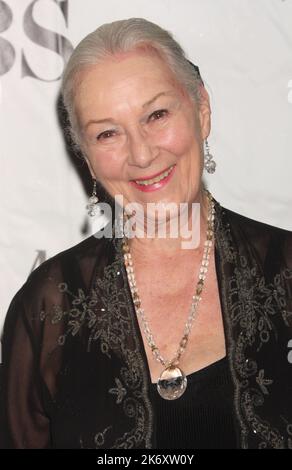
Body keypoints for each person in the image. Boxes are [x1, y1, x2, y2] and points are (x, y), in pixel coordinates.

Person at [1, 17, 292, 450]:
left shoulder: (285, 272)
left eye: (156, 115)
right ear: (85, 154)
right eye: (107, 133)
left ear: (202, 111)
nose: (141, 154)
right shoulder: (47, 307)